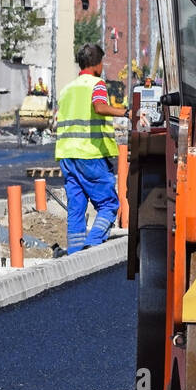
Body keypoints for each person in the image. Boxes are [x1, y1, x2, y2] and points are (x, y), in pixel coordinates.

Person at [53, 44, 127, 254]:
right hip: (91, 155)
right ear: (97, 64)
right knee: (109, 205)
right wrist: (126, 113)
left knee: (76, 208)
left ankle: (75, 252)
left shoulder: (67, 89)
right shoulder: (97, 84)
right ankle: (93, 244)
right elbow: (100, 107)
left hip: (68, 156)